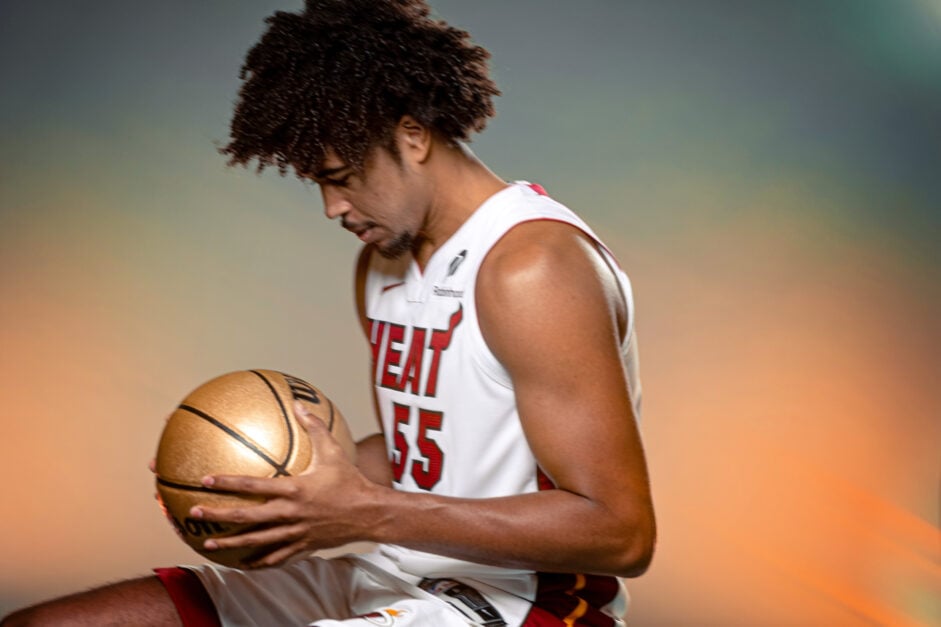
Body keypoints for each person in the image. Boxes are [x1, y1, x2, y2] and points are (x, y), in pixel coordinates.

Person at [1, 1, 655, 625]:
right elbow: (421, 453)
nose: (331, 208)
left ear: (412, 134)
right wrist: (262, 487)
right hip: (390, 573)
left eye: (340, 176)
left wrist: (365, 513)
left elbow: (620, 531)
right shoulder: (384, 263)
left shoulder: (530, 266)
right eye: (319, 181)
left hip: (520, 607)